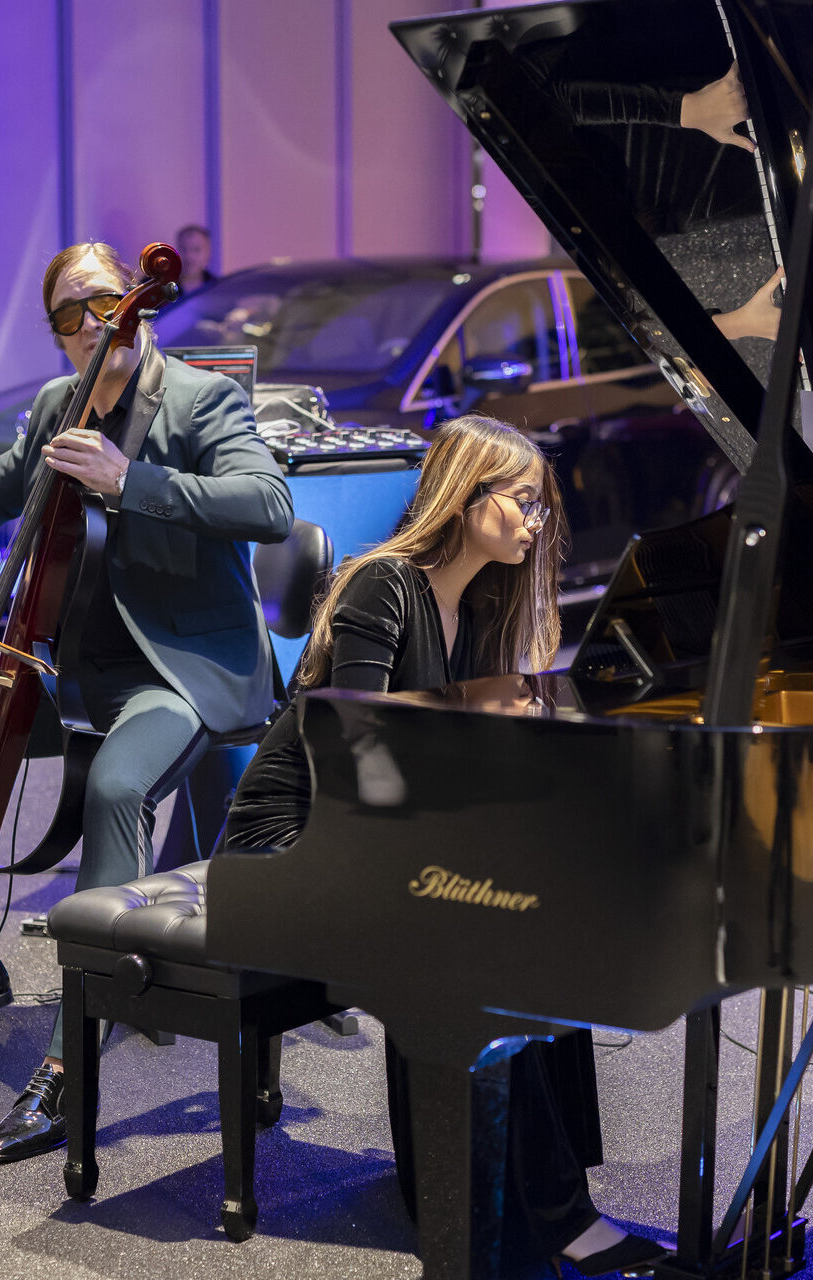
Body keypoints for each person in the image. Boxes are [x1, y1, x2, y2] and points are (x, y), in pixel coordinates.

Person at [0, 240, 293, 1163]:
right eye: (69, 315)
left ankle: (71, 1053)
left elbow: (269, 503)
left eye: (103, 303)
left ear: (137, 302)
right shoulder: (58, 404)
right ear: (55, 337)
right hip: (67, 669)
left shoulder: (201, 399)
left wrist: (134, 483)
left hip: (175, 671)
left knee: (118, 789)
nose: (92, 324)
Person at [220, 415, 665, 1278]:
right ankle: (531, 1206)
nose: (537, 521)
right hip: (292, 841)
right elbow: (361, 752)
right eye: (523, 501)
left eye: (542, 505)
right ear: (466, 497)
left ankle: (490, 1182)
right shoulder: (383, 584)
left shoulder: (486, 607)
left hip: (380, 834)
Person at [175, 223, 216, 293]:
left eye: (196, 249)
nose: (189, 256)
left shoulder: (217, 289)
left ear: (208, 253)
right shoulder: (162, 289)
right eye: (183, 249)